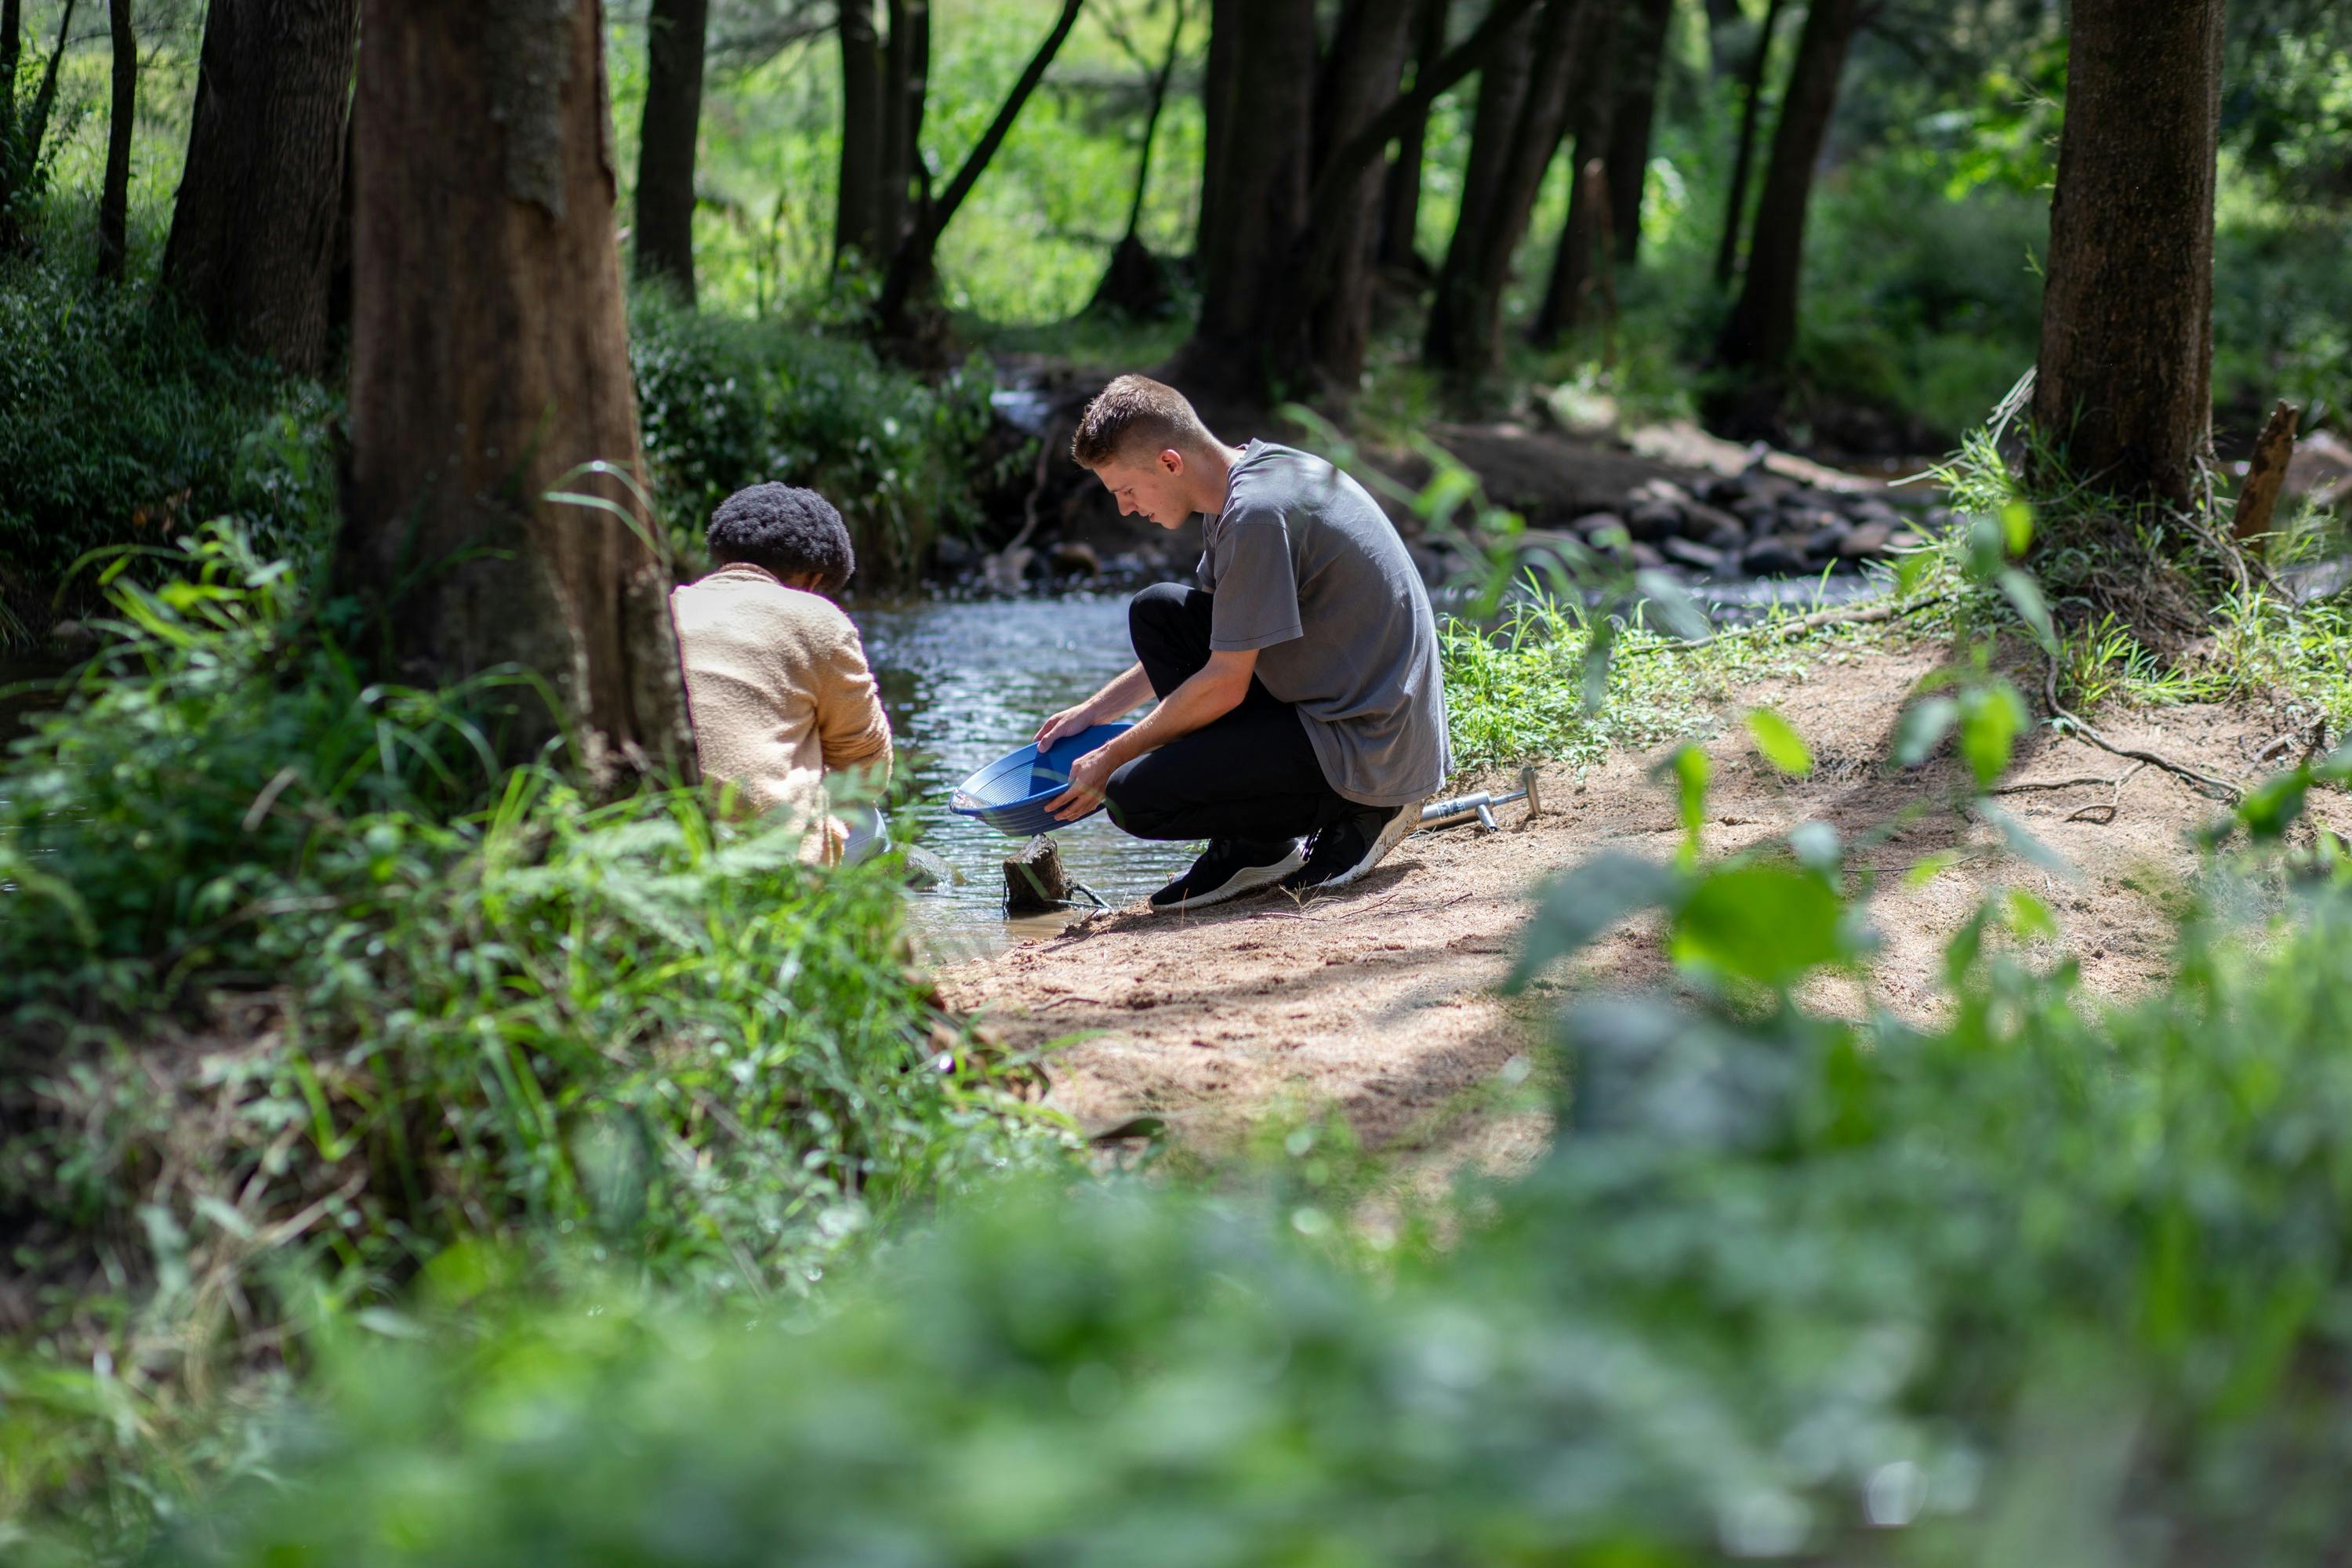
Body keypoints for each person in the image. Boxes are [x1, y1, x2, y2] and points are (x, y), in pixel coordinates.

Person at [1039, 375, 1448, 913]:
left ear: (1169, 462)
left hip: (1372, 746)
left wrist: (1111, 755)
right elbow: (1222, 636)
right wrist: (1094, 713)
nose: (1125, 509)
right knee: (1158, 612)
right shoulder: (1246, 480)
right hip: (1339, 709)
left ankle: (1370, 812)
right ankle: (1260, 845)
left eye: (1126, 491)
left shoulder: (1255, 516)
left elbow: (1225, 684)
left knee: (1130, 795)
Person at [669, 483, 894, 864]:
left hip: (665, 842)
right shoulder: (816, 618)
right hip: (768, 859)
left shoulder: (671, 605)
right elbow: (867, 770)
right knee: (873, 826)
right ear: (813, 580)